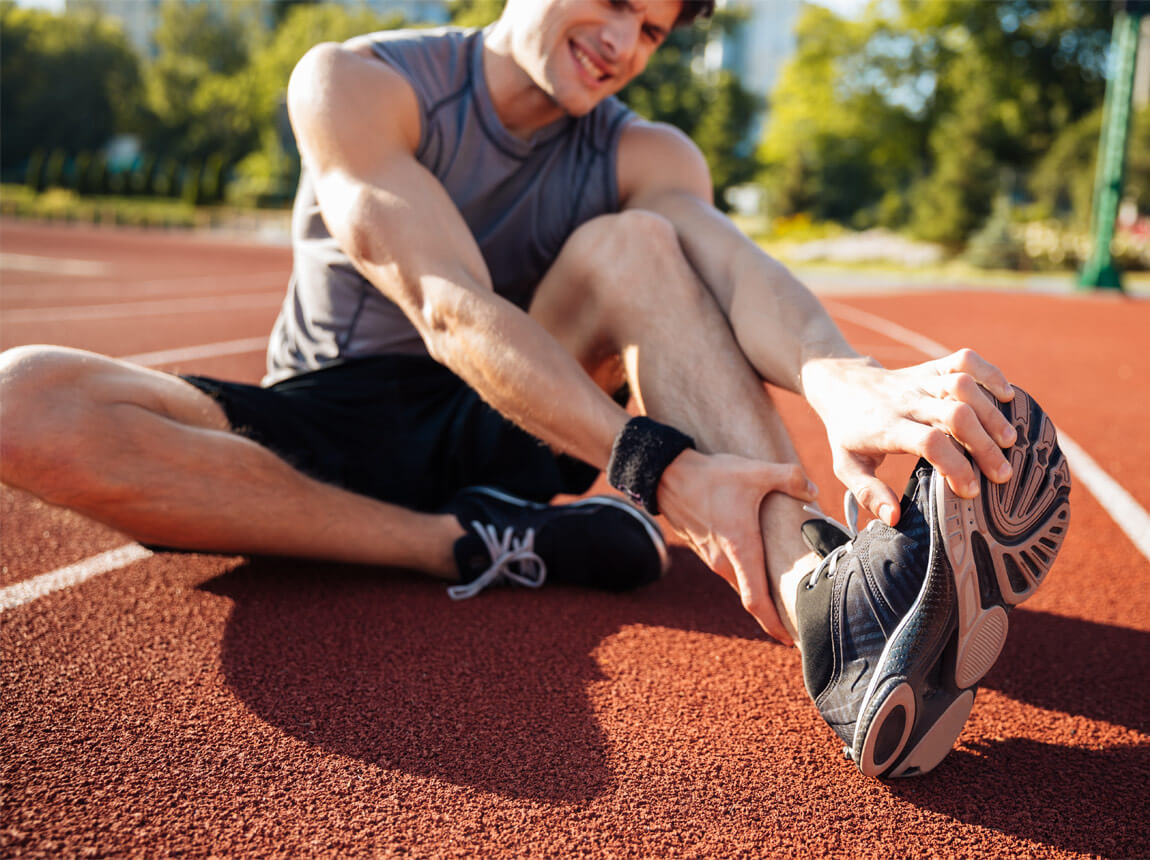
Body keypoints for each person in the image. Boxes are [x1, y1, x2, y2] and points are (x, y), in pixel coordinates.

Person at [0, 0, 1070, 777]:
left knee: (643, 244)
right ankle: (479, 541)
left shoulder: (641, 150)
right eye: (611, 4)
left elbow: (725, 261)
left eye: (651, 31)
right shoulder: (360, 83)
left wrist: (845, 379)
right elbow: (448, 307)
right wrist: (659, 468)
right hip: (330, 413)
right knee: (24, 401)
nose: (622, 46)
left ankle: (827, 606)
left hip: (520, 411)